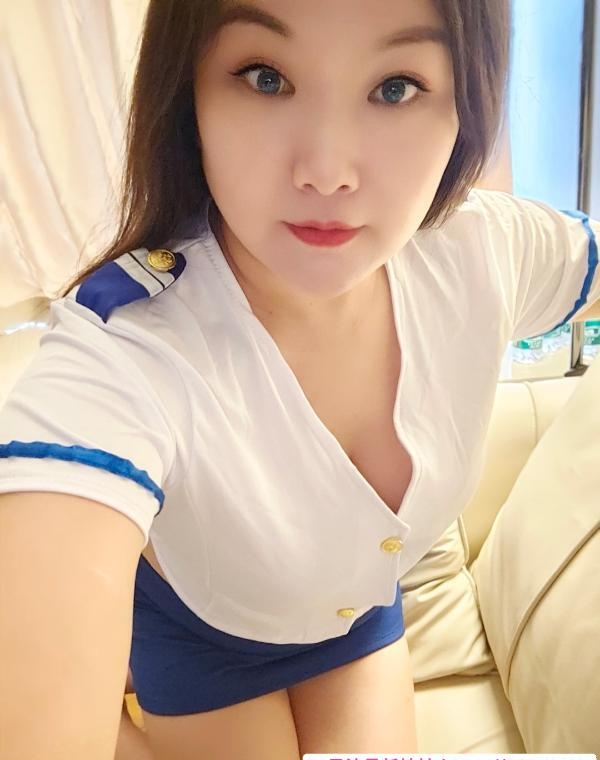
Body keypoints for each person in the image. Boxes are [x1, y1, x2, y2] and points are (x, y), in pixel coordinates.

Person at [1, 0, 599, 758]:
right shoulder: (128, 346)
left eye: (395, 87)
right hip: (202, 633)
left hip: (354, 611)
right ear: (188, 93)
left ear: (468, 104)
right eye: (265, 77)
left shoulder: (482, 251)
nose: (327, 171)